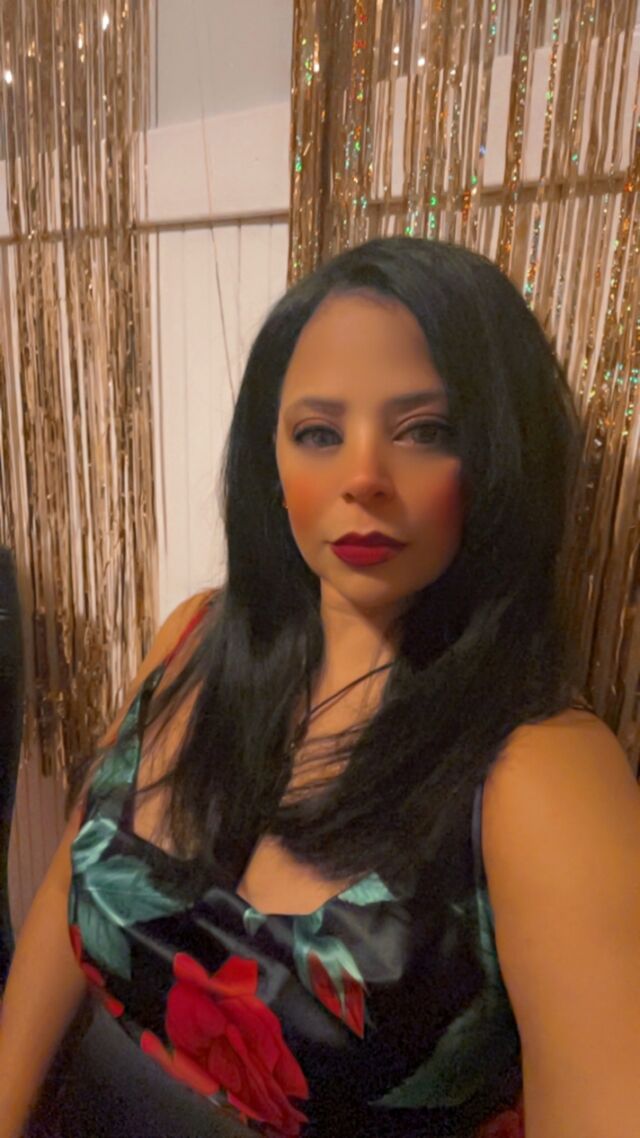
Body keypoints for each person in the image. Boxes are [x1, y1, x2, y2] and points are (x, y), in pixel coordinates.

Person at [0, 237, 639, 1138]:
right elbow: (67, 888)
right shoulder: (192, 641)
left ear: (500, 458)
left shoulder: (544, 773)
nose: (363, 478)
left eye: (426, 430)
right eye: (318, 433)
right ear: (271, 461)